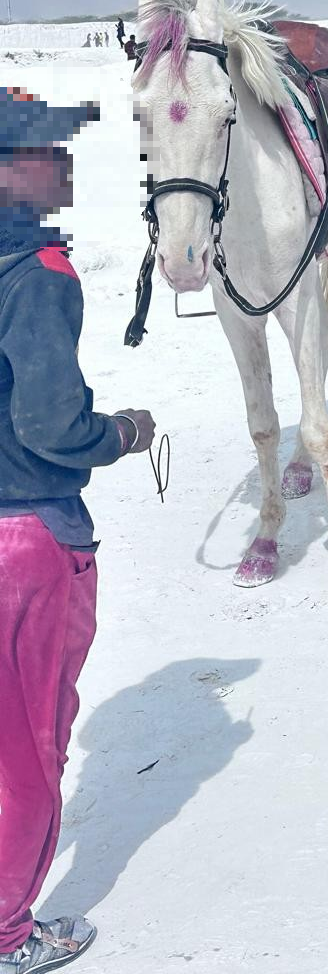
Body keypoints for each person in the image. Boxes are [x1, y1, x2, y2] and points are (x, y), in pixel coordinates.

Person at [0, 87, 157, 972]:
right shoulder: (37, 275)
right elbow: (52, 425)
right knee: (25, 751)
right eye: (40, 156)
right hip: (25, 541)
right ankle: (8, 936)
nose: (58, 171)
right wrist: (122, 432)